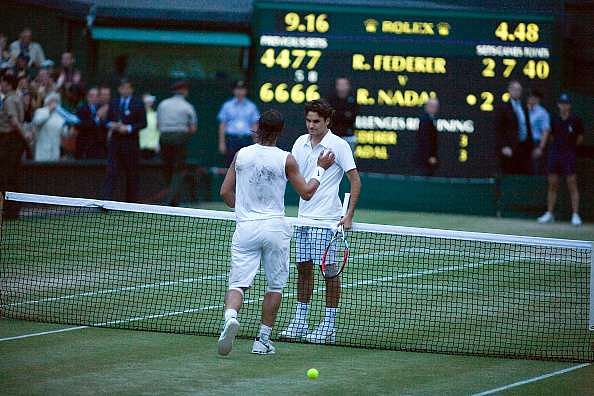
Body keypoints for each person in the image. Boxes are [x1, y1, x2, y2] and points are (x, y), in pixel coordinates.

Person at [218, 109, 335, 356]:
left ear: (258, 127)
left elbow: (225, 193)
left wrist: (243, 209)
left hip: (246, 227)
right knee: (275, 287)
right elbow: (306, 192)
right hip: (274, 229)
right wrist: (320, 168)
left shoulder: (241, 155)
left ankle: (230, 317)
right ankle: (262, 341)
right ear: (280, 131)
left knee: (238, 284)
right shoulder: (287, 158)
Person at [281, 99, 361, 344]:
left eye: (317, 121)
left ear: (327, 121)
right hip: (304, 219)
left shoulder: (339, 146)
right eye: (308, 121)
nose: (311, 125)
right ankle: (300, 320)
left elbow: (355, 181)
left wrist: (348, 215)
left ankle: (328, 324)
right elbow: (292, 176)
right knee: (303, 270)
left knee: (329, 273)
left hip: (328, 221)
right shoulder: (299, 143)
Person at [537, 93, 584, 226]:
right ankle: (550, 213)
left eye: (566, 103)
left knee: (572, 184)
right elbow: (550, 136)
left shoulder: (576, 120)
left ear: (569, 105)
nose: (564, 106)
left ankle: (575, 215)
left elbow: (580, 138)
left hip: (569, 155)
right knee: (552, 184)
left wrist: (569, 148)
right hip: (555, 154)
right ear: (558, 105)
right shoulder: (553, 119)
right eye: (562, 103)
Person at [103, 78, 147, 202]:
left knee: (132, 173)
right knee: (111, 171)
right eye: (122, 87)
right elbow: (106, 121)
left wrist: (128, 128)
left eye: (127, 87)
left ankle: (131, 202)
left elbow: (143, 123)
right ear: (119, 89)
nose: (125, 90)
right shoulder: (114, 103)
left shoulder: (138, 103)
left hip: (131, 143)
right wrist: (112, 125)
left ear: (132, 89)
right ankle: (107, 201)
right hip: (115, 143)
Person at [156, 81, 197, 206]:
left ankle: (171, 197)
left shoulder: (162, 105)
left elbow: (158, 125)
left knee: (167, 168)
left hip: (164, 138)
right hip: (179, 138)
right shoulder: (187, 106)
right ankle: (171, 199)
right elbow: (193, 128)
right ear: (184, 91)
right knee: (178, 169)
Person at [0, 73, 27, 218]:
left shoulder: (10, 99)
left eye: (2, 82)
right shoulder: (18, 98)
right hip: (15, 141)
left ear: (8, 84)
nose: (1, 85)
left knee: (6, 176)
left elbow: (14, 122)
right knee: (13, 176)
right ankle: (12, 210)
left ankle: (9, 211)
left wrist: (25, 136)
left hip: (9, 141)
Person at [495, 80, 533, 175]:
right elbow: (498, 129)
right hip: (509, 148)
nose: (517, 92)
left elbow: (527, 127)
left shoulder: (524, 107)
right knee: (509, 174)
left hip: (523, 148)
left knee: (523, 175)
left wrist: (530, 146)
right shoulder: (503, 107)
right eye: (514, 89)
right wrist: (504, 146)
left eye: (519, 90)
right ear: (509, 91)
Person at [217, 80, 260, 166]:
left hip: (246, 139)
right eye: (238, 89)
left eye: (242, 89)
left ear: (246, 91)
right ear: (234, 91)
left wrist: (256, 141)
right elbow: (222, 125)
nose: (240, 92)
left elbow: (254, 125)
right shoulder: (227, 106)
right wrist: (221, 142)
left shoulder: (251, 106)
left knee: (246, 165)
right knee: (230, 165)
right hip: (232, 139)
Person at [31, 92, 71, 161]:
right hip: (42, 150)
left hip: (55, 151)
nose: (54, 103)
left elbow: (64, 133)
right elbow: (37, 122)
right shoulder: (41, 111)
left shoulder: (60, 116)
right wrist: (49, 111)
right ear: (47, 101)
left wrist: (69, 129)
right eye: (52, 101)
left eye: (56, 101)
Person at [326, 76, 358, 150]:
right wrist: (344, 114)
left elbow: (352, 117)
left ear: (348, 86)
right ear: (336, 86)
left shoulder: (352, 99)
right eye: (340, 85)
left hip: (348, 136)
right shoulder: (331, 100)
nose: (342, 87)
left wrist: (338, 114)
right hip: (333, 136)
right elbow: (330, 117)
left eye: (344, 84)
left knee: (349, 160)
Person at [75, 87, 107, 159]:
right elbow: (81, 125)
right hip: (85, 146)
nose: (94, 98)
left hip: (100, 147)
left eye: (96, 96)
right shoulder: (81, 109)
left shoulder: (103, 108)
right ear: (87, 97)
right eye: (91, 95)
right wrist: (97, 118)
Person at [527, 89, 551, 175]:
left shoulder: (543, 113)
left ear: (538, 99)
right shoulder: (524, 110)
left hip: (535, 143)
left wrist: (540, 148)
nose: (531, 99)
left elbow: (545, 131)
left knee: (535, 168)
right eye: (530, 97)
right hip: (524, 143)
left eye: (533, 98)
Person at [416, 97, 439, 176]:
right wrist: (429, 156)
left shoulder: (432, 119)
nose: (433, 108)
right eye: (431, 106)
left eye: (435, 106)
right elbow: (424, 140)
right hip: (424, 159)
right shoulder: (425, 120)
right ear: (426, 107)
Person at [139, 93, 159, 159]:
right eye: (146, 100)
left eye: (150, 100)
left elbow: (158, 130)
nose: (148, 102)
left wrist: (157, 145)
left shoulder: (156, 115)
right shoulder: (136, 115)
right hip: (139, 148)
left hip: (153, 148)